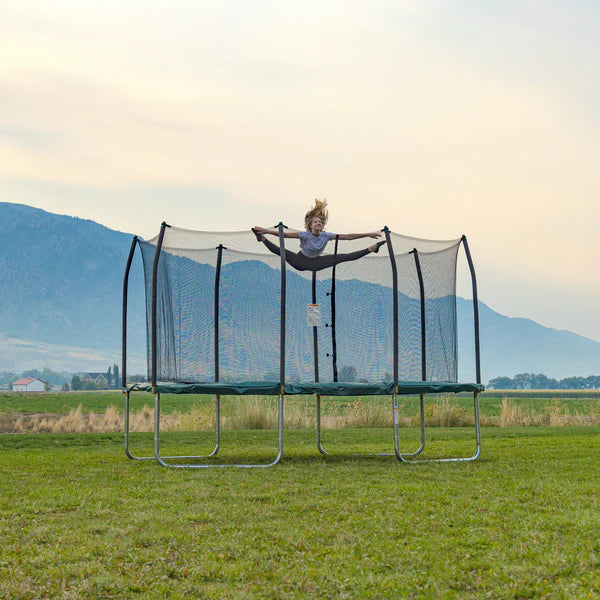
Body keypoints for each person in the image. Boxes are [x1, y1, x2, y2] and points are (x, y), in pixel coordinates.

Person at [252, 199, 385, 272]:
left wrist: (367, 234)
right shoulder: (305, 235)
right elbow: (284, 235)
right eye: (316, 222)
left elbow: (347, 236)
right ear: (310, 226)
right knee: (281, 251)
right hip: (300, 261)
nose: (318, 223)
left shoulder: (326, 235)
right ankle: (262, 238)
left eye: (320, 222)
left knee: (343, 257)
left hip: (316, 263)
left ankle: (371, 249)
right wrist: (266, 231)